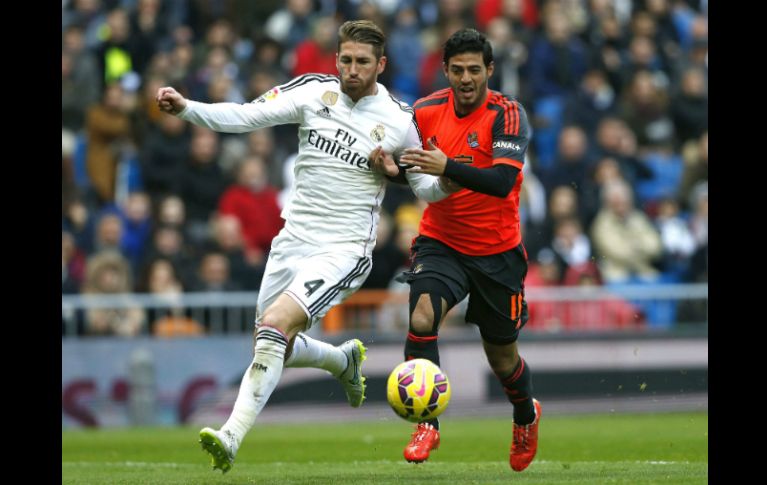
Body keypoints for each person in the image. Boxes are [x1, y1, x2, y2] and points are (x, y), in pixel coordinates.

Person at [156, 20, 454, 473]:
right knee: (270, 340)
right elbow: (245, 115)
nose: (352, 70)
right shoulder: (314, 91)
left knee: (275, 327)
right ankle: (342, 360)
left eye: (363, 62)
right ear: (336, 59)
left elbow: (426, 189)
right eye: (346, 60)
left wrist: (443, 173)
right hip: (293, 238)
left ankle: (230, 436)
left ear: (382, 65)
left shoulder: (400, 119)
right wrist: (186, 109)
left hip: (345, 247)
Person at [371, 28, 541, 472]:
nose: (466, 79)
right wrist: (391, 168)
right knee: (423, 315)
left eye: (474, 70)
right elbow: (415, 174)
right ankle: (428, 423)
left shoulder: (508, 115)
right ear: (445, 70)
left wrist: (448, 165)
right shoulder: (424, 111)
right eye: (457, 70)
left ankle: (526, 414)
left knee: (501, 357)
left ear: (489, 70)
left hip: (497, 251)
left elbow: (502, 182)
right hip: (441, 241)